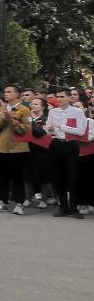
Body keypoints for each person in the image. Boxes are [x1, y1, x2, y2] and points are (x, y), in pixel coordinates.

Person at [45, 87, 89, 219]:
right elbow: (48, 130)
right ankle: (63, 207)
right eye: (58, 97)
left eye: (62, 96)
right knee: (58, 177)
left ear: (69, 98)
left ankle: (73, 207)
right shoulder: (53, 112)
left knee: (73, 177)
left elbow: (81, 131)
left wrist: (61, 126)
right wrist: (51, 129)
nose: (59, 99)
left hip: (71, 145)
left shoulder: (77, 112)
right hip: (56, 144)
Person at [0, 84, 30, 214]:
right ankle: (2, 202)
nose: (6, 94)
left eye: (9, 92)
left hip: (18, 149)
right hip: (0, 148)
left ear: (17, 94)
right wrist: (3, 119)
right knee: (1, 177)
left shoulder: (24, 110)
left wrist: (11, 120)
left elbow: (24, 130)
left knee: (17, 177)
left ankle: (19, 203)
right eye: (5, 92)